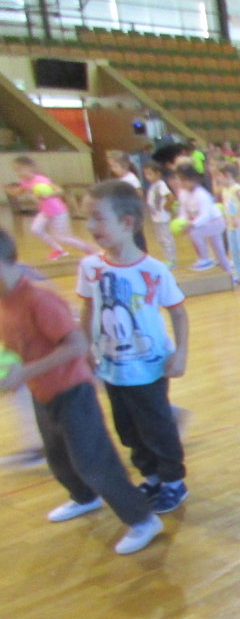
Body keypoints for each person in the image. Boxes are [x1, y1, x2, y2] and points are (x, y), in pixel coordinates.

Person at [0, 228, 162, 554]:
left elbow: (76, 345)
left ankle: (143, 519)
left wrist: (25, 372)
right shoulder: (4, 302)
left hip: (72, 391)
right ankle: (84, 498)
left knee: (93, 461)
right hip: (42, 391)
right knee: (58, 457)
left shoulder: (39, 300)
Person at [77, 180, 191, 515]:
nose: (90, 226)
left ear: (127, 223)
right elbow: (88, 308)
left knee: (157, 428)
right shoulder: (90, 268)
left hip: (150, 368)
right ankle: (152, 477)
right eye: (87, 218)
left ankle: (173, 482)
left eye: (98, 218)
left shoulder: (153, 270)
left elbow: (178, 312)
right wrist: (86, 348)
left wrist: (181, 352)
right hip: (112, 368)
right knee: (128, 430)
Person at [12, 156, 96, 261]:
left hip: (58, 211)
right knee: (36, 229)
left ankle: (91, 250)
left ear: (30, 167)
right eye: (16, 170)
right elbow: (17, 193)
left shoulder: (41, 179)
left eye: (20, 169)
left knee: (63, 237)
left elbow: (60, 191)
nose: (18, 172)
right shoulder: (24, 182)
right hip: (45, 211)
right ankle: (59, 250)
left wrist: (48, 195)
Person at [176, 163, 233, 276]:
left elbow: (205, 215)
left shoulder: (201, 194)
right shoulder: (183, 193)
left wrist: (192, 225)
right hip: (203, 223)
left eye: (183, 180)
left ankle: (205, 258)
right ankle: (230, 275)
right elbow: (183, 211)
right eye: (179, 180)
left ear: (193, 180)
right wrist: (181, 223)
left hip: (216, 222)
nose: (180, 183)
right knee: (219, 251)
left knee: (194, 232)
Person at [214, 162, 240, 286]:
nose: (217, 179)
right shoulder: (225, 190)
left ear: (228, 175)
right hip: (231, 225)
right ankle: (237, 273)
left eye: (219, 176)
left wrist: (238, 217)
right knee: (234, 250)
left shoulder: (236, 189)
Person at [143, 160, 176, 269]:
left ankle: (171, 260)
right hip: (157, 218)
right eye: (146, 174)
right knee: (161, 239)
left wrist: (166, 207)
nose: (147, 177)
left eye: (150, 174)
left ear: (158, 174)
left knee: (166, 239)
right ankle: (167, 258)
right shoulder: (153, 185)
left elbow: (170, 197)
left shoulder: (161, 185)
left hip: (163, 218)